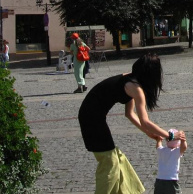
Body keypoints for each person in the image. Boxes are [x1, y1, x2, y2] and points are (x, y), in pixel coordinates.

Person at [78, 52, 185, 194]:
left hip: (92, 115)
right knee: (109, 163)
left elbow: (129, 114)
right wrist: (170, 136)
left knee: (118, 160)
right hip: (91, 118)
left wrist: (149, 134)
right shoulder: (136, 88)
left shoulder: (131, 80)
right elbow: (145, 121)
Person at [154, 128, 188, 194]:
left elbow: (158, 146)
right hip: (172, 179)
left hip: (160, 179)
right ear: (178, 144)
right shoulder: (176, 151)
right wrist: (183, 140)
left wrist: (159, 140)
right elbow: (184, 147)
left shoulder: (162, 151)